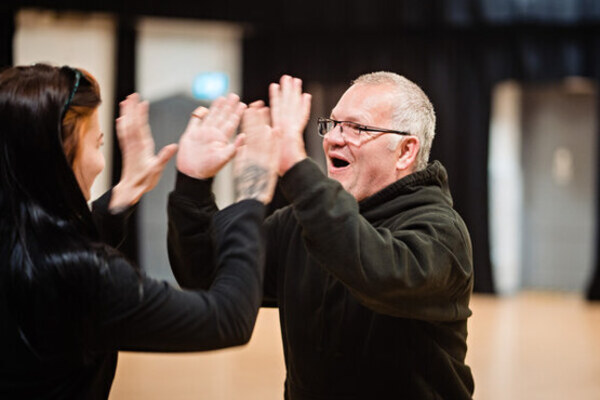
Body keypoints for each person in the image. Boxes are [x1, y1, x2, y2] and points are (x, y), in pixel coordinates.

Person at [168, 72, 475, 399]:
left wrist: (296, 167)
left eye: (356, 128)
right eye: (332, 124)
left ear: (404, 151)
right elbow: (206, 274)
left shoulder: (442, 232)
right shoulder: (301, 222)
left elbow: (378, 272)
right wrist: (193, 185)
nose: (332, 139)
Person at [0, 63, 280, 399]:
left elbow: (40, 253)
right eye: (97, 145)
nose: (100, 163)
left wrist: (125, 191)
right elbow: (227, 317)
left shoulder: (20, 239)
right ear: (59, 157)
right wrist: (252, 191)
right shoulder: (82, 275)